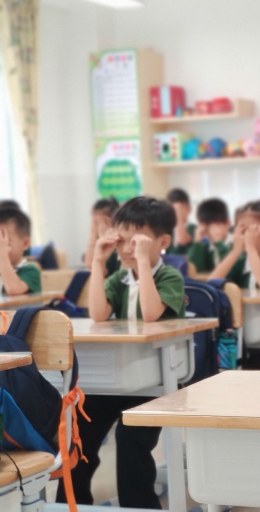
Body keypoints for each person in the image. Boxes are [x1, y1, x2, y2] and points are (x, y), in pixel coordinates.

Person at [57, 197, 185, 509]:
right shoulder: (118, 279)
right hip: (120, 378)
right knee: (80, 431)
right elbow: (98, 314)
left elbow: (151, 314)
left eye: (136, 241)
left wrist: (142, 263)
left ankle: (138, 505)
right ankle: (72, 504)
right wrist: (98, 263)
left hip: (154, 382)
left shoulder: (170, 277)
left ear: (162, 242)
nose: (127, 249)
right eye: (122, 240)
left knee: (130, 440)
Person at [209, 200, 260, 288]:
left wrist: (251, 248)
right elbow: (212, 282)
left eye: (254, 230)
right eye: (243, 230)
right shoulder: (241, 262)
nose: (248, 236)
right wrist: (235, 251)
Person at [0, 207, 40, 295]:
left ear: (25, 243)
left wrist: (3, 255)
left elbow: (13, 289)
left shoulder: (30, 271)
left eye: (4, 242)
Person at [187, 198, 231, 272]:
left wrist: (219, 243)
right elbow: (195, 270)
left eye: (214, 228)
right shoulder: (206, 246)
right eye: (206, 229)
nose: (211, 233)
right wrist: (197, 242)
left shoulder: (236, 245)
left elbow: (230, 271)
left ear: (227, 223)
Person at [84, 197, 121, 276]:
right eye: (95, 221)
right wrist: (93, 236)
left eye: (102, 220)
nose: (98, 225)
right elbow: (89, 266)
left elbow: (103, 272)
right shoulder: (96, 239)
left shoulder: (120, 238)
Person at [165, 188, 196, 255]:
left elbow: (182, 240)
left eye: (181, 208)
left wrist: (178, 218)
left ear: (189, 209)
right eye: (174, 210)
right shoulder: (167, 229)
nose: (177, 212)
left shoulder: (193, 228)